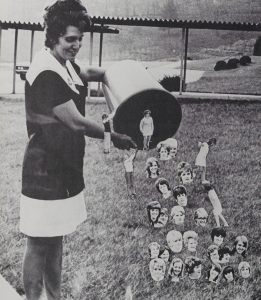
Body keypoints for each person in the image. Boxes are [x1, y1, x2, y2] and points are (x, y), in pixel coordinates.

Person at [20, 2, 136, 300]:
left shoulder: (61, 63)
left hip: (63, 168)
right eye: (70, 39)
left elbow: (87, 71)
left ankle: (55, 297)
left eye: (80, 39)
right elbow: (76, 122)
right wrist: (115, 135)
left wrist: (123, 70)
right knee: (38, 244)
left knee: (56, 238)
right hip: (43, 169)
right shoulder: (46, 70)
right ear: (54, 36)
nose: (76, 45)